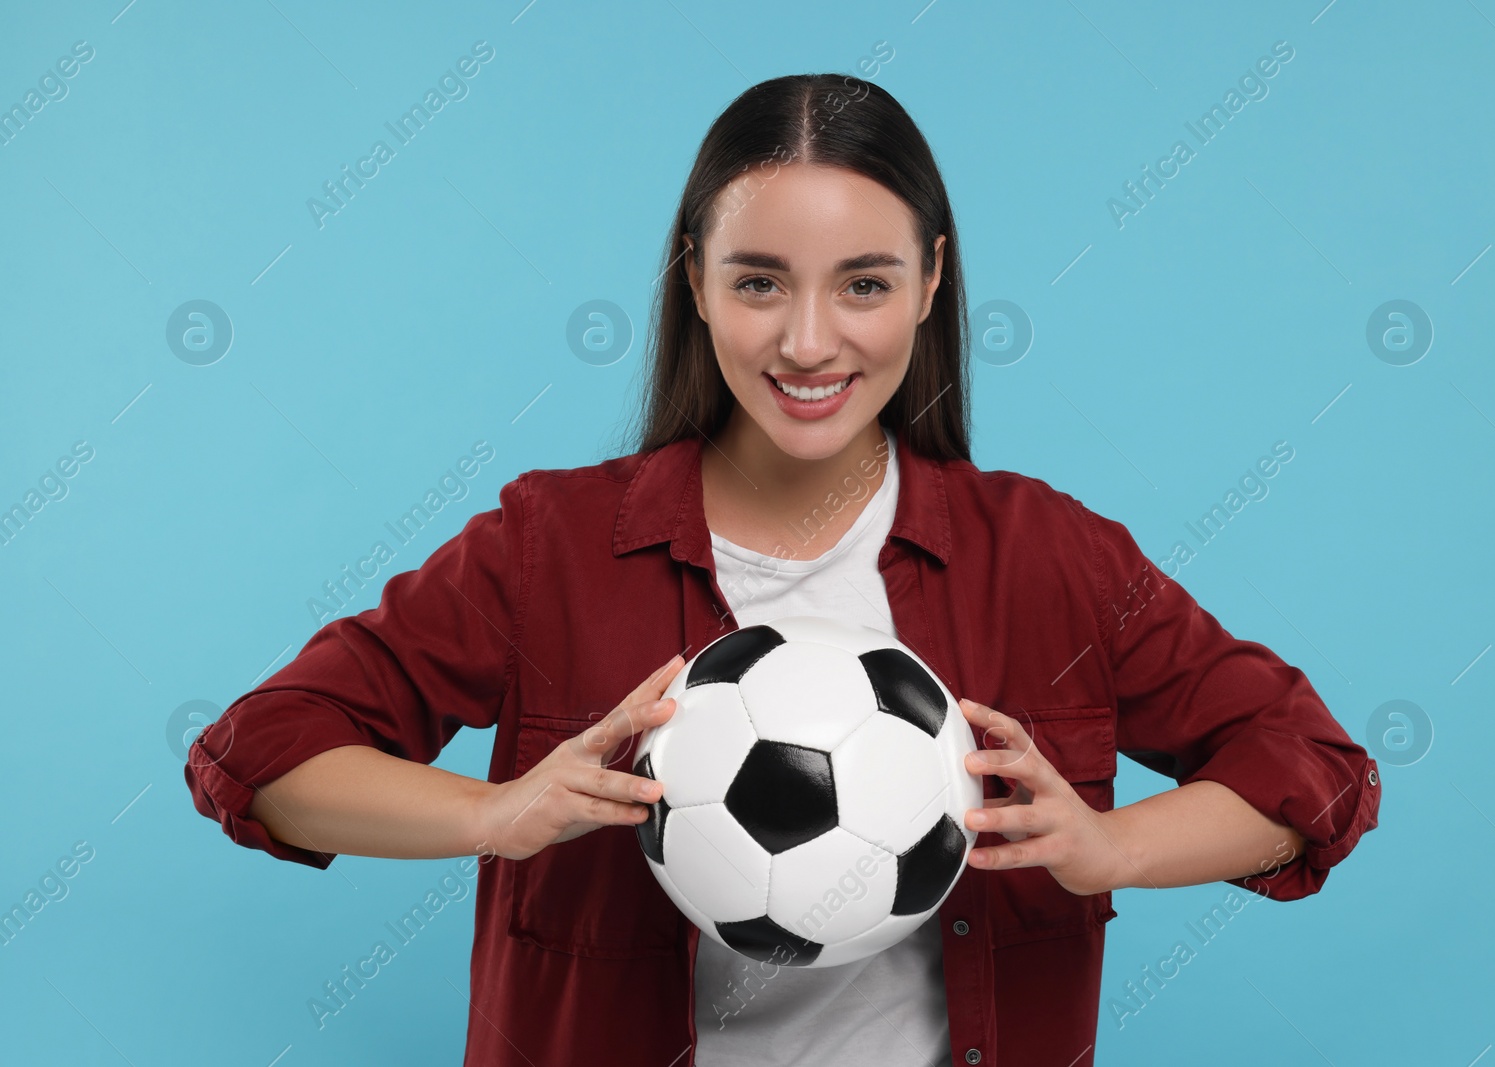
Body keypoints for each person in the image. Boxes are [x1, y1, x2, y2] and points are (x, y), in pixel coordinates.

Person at [184, 72, 1380, 1066]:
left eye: (863, 282)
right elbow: (263, 753)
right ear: (694, 281)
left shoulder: (1048, 557)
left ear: (930, 282)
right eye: (759, 280)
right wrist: (494, 814)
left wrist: (1113, 848)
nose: (809, 341)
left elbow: (1313, 775)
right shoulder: (547, 547)